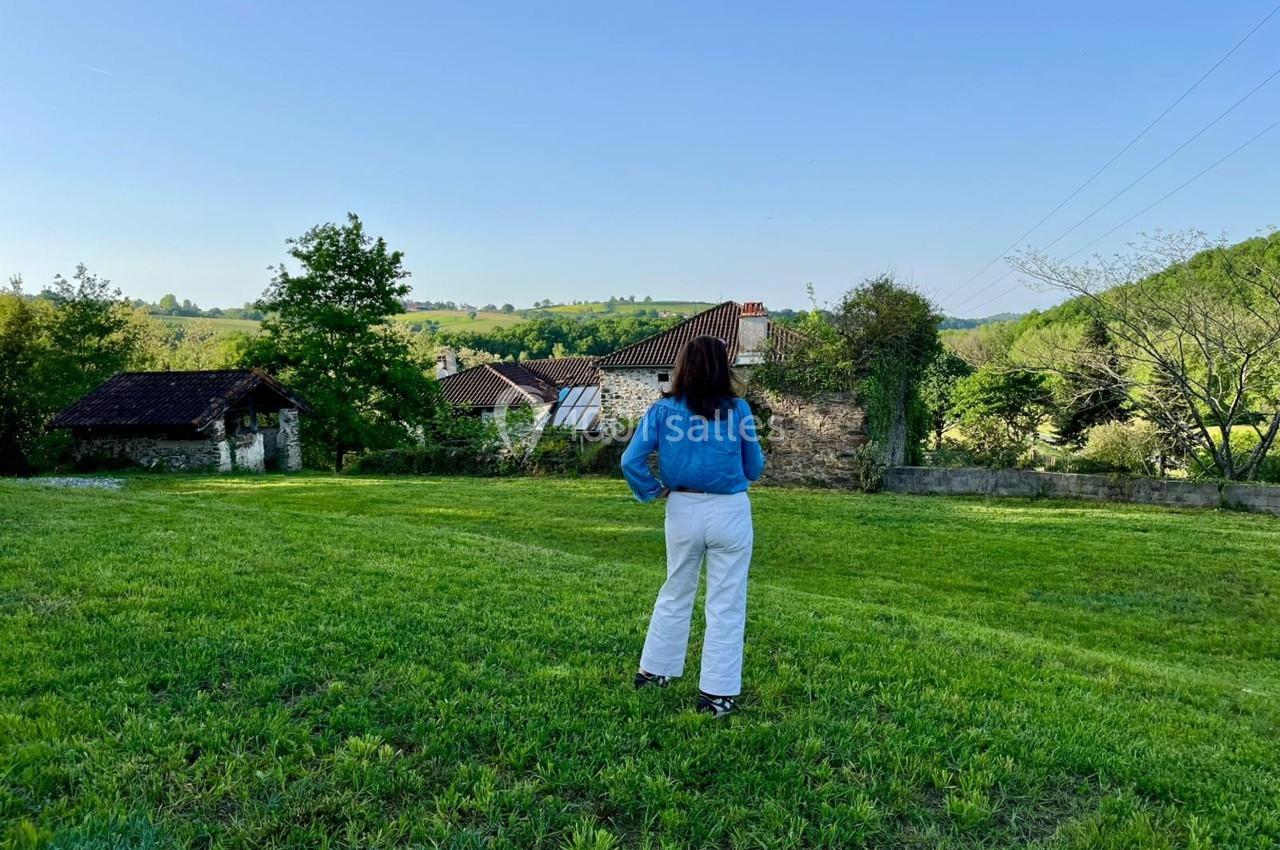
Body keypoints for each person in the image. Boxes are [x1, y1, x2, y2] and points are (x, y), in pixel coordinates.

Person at [620, 334, 766, 718]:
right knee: (726, 602)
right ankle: (716, 696)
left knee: (676, 588)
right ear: (724, 367)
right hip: (731, 510)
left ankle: (654, 672)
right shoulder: (739, 410)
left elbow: (630, 461)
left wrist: (653, 491)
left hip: (682, 507)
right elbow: (754, 468)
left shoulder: (663, 410)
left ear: (683, 365)